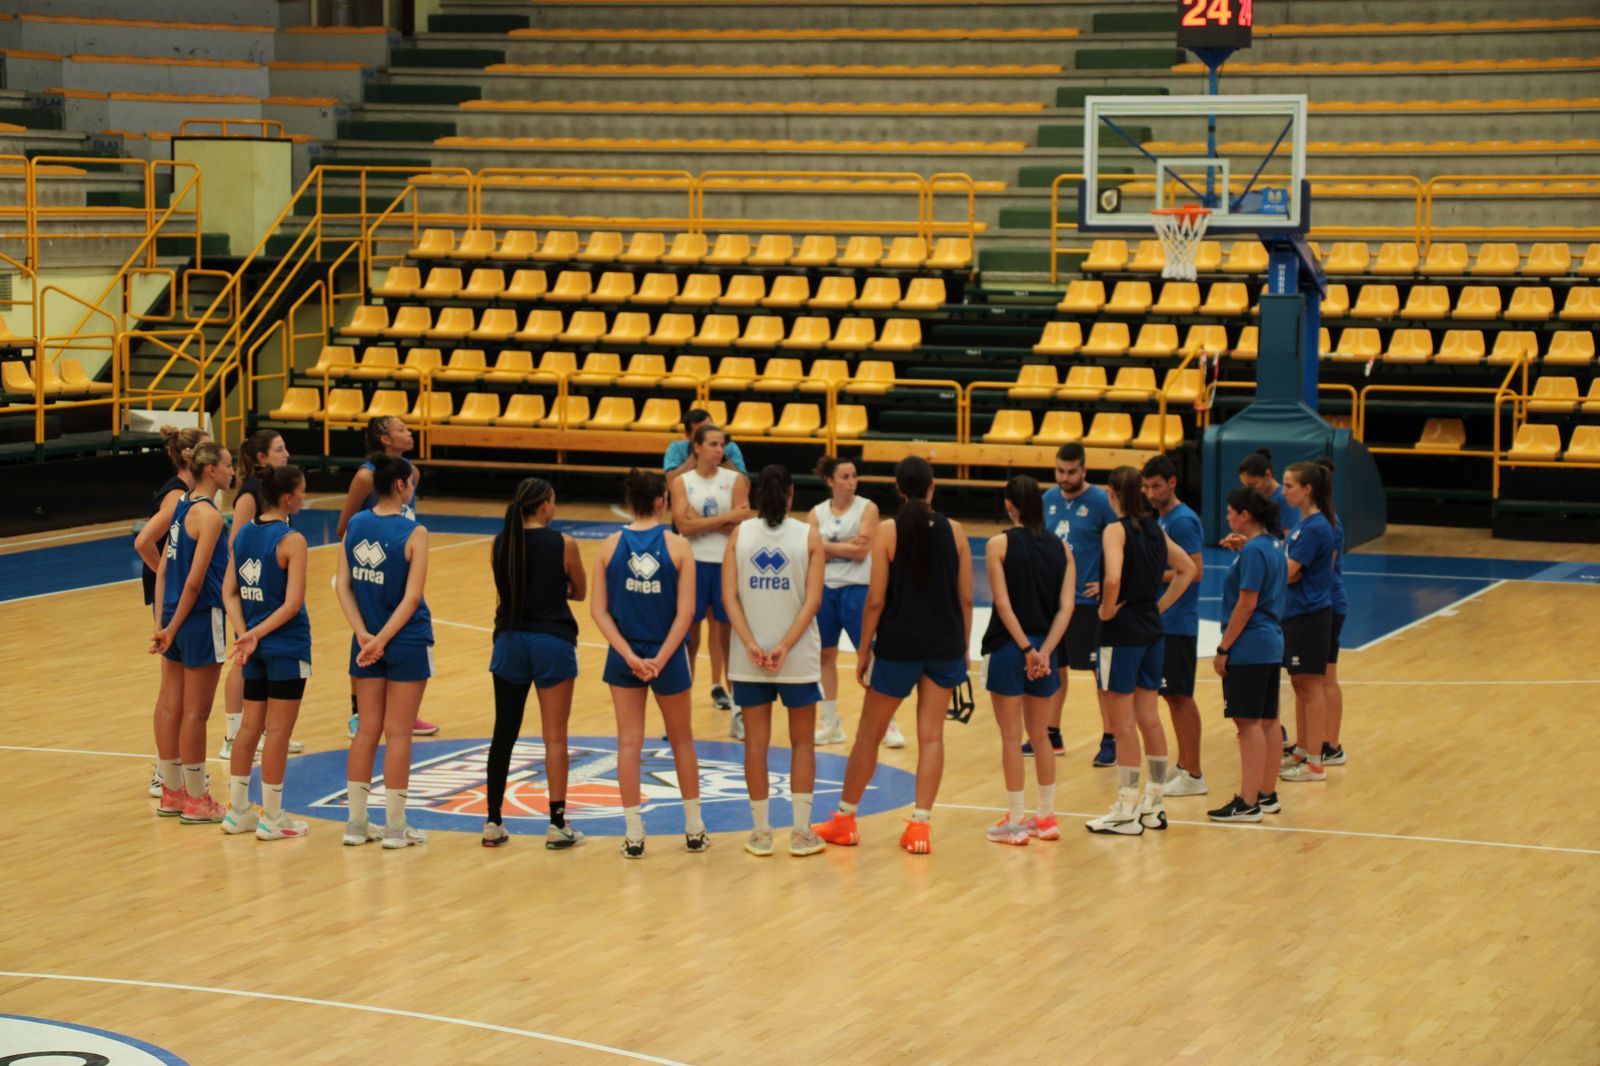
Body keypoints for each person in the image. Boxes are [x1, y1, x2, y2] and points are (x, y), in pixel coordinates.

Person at [814, 456, 973, 855]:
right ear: (932, 486)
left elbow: (876, 600)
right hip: (944, 645)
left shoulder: (889, 530)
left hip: (899, 645)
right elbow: (966, 598)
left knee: (868, 734)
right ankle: (920, 826)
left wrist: (865, 648)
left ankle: (845, 821)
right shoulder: (956, 531)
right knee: (931, 736)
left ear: (899, 489)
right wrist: (963, 649)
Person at [591, 469, 707, 859]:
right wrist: (659, 658)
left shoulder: (608, 546)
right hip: (668, 656)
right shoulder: (679, 547)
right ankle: (694, 830)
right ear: (662, 501)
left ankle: (634, 835)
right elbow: (686, 612)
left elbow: (598, 611)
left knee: (628, 743)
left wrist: (628, 655)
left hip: (626, 658)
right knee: (682, 740)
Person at [722, 465, 828, 857]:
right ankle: (800, 833)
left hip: (749, 659)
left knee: (755, 745)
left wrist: (751, 643)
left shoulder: (740, 533)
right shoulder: (808, 535)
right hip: (796, 657)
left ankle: (762, 833)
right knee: (803, 745)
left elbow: (729, 596)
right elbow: (813, 600)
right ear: (790, 494)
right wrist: (784, 646)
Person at [1086, 466, 1198, 836]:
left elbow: (1113, 577)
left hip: (1121, 635)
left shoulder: (1115, 530)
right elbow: (1186, 570)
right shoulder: (1155, 528)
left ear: (1112, 493)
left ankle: (1126, 808)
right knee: (1149, 717)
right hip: (1152, 633)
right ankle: (1154, 805)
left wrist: (1106, 608)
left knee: (1122, 724)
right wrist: (1158, 607)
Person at [483, 477, 587, 850]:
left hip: (509, 642)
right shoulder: (564, 543)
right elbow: (581, 590)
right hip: (551, 642)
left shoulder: (501, 542)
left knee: (503, 734)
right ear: (544, 505)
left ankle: (493, 821)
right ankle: (557, 824)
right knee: (554, 736)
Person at [335, 455, 434, 849]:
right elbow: (412, 599)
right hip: (404, 641)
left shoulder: (356, 524)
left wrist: (364, 634)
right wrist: (382, 640)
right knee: (399, 735)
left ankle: (356, 824)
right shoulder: (415, 532)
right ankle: (395, 827)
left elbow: (341, 585)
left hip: (364, 643)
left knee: (366, 731)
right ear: (400, 486)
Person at [980, 475, 1075, 845]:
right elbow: (1067, 609)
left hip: (1010, 647)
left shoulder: (998, 544)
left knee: (1010, 737)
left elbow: (1002, 604)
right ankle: (1046, 818)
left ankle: (1017, 823)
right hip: (1046, 650)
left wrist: (1026, 651)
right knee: (1040, 736)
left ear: (1009, 505)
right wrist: (1045, 651)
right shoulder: (1062, 549)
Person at [220, 464, 312, 841]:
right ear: (288, 497)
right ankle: (273, 817)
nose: (305, 496)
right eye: (303, 490)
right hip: (286, 647)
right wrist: (254, 634)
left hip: (254, 648)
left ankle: (238, 812)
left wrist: (244, 634)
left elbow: (229, 592)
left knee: (249, 729)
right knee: (277, 733)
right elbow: (292, 605)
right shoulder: (292, 540)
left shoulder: (243, 534)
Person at [147, 441, 235, 825]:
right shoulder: (211, 517)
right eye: (230, 466)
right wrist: (177, 624)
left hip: (171, 615)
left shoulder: (180, 505)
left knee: (169, 704)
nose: (234, 472)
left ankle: (172, 792)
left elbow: (163, 568)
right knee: (196, 712)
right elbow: (196, 582)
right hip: (199, 619)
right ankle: (198, 799)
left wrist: (162, 623)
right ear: (212, 471)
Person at [336, 416, 438, 739]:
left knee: (396, 634)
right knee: (365, 634)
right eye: (402, 429)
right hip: (365, 558)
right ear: (384, 438)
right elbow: (343, 527)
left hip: (399, 558)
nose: (410, 433)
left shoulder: (411, 473)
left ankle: (403, 709)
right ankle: (358, 712)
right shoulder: (366, 476)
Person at [134, 425, 206, 799]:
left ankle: (169, 773)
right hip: (173, 598)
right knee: (174, 691)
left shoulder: (187, 493)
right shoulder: (178, 496)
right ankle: (166, 772)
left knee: (173, 688)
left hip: (172, 596)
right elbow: (144, 540)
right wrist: (169, 568)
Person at [220, 429, 301, 761]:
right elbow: (236, 543)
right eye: (279, 449)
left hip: (266, 588)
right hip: (250, 589)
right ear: (262, 457)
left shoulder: (276, 496)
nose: (286, 454)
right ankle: (231, 734)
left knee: (260, 661)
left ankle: (265, 730)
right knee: (243, 660)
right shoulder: (250, 496)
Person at [1208, 487, 1288, 822]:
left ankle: (1248, 800)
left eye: (1231, 512)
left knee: (1247, 724)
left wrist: (1224, 646)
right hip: (1271, 642)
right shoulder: (1270, 544)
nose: (1227, 517)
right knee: (1269, 721)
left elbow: (1247, 602)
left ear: (1245, 515)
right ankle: (1267, 793)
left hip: (1250, 645)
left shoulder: (1255, 550)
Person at [667, 422, 752, 732]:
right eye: (714, 444)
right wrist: (725, 518)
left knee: (730, 640)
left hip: (727, 566)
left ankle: (739, 713)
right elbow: (683, 526)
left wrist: (701, 520)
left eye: (723, 445)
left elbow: (742, 525)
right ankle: (680, 715)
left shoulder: (736, 480)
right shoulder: (681, 482)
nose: (721, 450)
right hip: (692, 567)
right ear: (697, 448)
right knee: (687, 640)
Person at [806, 456, 895, 748]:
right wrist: (843, 546)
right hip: (826, 589)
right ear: (830, 481)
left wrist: (825, 546)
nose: (851, 482)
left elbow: (861, 552)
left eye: (854, 476)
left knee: (869, 655)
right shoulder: (816, 513)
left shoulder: (868, 508)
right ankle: (831, 723)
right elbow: (810, 551)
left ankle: (888, 724)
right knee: (825, 656)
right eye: (844, 477)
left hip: (858, 590)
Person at [1040, 442, 1118, 765]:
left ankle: (1110, 739)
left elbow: (1119, 542)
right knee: (1053, 669)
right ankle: (1051, 733)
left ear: (1084, 470)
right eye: (1060, 470)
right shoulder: (1048, 499)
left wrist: (1105, 581)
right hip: (1056, 602)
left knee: (1101, 673)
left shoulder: (1101, 502)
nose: (1065, 476)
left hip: (1087, 603)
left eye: (1072, 471)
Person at [1140, 455, 1207, 797]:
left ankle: (1194, 773)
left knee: (1181, 697)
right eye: (1146, 487)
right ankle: (1184, 766)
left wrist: (1149, 572)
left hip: (1178, 622)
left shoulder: (1182, 521)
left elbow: (1195, 570)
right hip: (1166, 623)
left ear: (1172, 482)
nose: (1151, 493)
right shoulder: (1162, 519)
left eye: (1156, 486)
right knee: (1171, 696)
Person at [1278, 460, 1339, 784]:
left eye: (1289, 485)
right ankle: (1303, 750)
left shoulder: (1316, 527)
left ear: (1307, 490)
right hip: (1297, 612)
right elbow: (1289, 568)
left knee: (1311, 685)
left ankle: (1315, 761)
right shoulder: (1304, 524)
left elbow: (1289, 572)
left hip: (1311, 614)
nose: (1284, 491)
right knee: (1300, 684)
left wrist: (1276, 567)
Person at [1316, 457, 1349, 768]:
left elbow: (1323, 568)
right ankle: (1317, 742)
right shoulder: (1319, 520)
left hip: (1328, 604)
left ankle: (1333, 744)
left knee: (1327, 677)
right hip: (1322, 603)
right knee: (1318, 678)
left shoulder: (1329, 524)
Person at [664, 407, 747, 480]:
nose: (708, 434)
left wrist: (723, 459)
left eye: (710, 428)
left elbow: (745, 485)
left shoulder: (729, 447)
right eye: (701, 432)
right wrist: (697, 454)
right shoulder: (676, 448)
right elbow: (671, 481)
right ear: (688, 435)